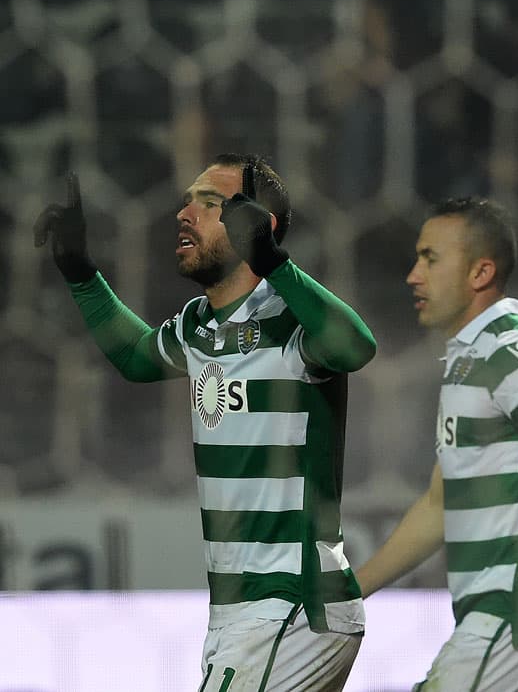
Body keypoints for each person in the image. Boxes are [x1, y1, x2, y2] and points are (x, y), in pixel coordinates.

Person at [34, 154, 376, 692]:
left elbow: (357, 347)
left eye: (210, 203)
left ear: (255, 226)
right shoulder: (198, 325)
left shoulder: (289, 316)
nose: (183, 212)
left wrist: (276, 264)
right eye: (188, 199)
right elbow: (139, 357)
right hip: (239, 613)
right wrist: (82, 273)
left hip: (290, 603)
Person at [355, 197, 518, 691]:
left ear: (480, 272)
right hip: (503, 621)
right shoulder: (471, 360)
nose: (413, 275)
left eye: (430, 258)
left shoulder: (515, 353)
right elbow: (440, 502)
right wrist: (351, 590)